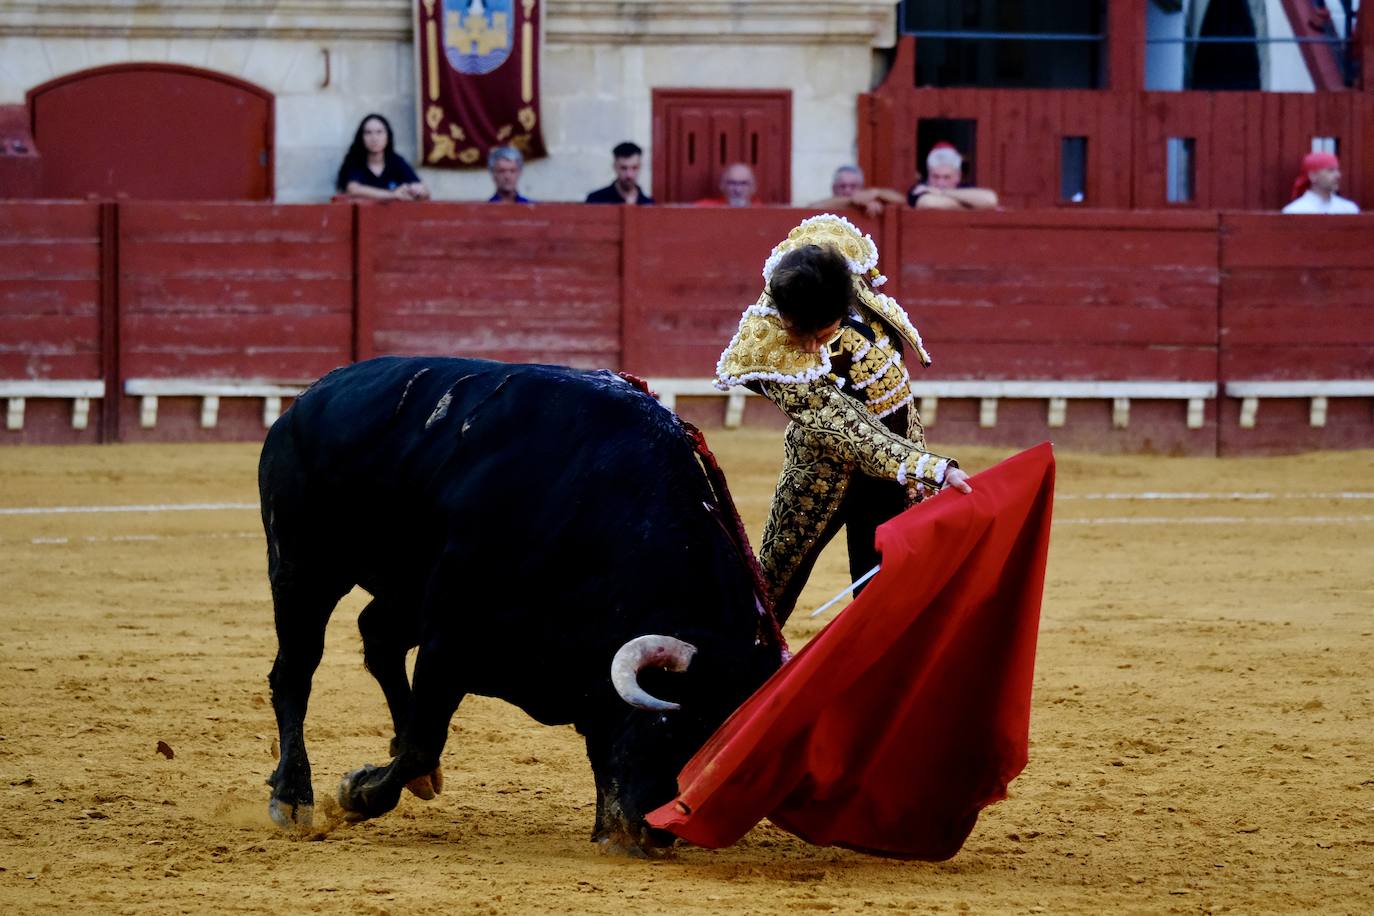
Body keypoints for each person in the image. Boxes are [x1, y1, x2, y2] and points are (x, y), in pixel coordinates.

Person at [714, 214, 972, 624]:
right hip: (823, 468)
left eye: (819, 333)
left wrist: (918, 463)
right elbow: (846, 430)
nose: (809, 343)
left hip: (893, 464)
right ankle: (734, 678)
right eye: (801, 332)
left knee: (885, 595)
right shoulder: (770, 349)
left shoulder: (835, 265)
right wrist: (930, 468)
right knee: (771, 591)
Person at [336, 114, 430, 201]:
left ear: (388, 136)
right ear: (361, 137)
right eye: (368, 133)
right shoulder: (355, 160)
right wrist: (392, 195)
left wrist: (417, 190)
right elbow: (353, 189)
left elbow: (424, 190)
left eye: (379, 132)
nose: (374, 138)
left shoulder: (396, 161)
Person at [908, 143, 998, 211]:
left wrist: (942, 192)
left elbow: (990, 200)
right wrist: (972, 205)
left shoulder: (964, 188)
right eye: (935, 177)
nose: (940, 183)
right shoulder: (919, 189)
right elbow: (928, 202)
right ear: (928, 174)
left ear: (958, 176)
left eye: (946, 177)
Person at [808, 164, 905, 218]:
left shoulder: (871, 201)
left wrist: (877, 193)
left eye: (853, 186)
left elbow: (903, 201)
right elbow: (812, 209)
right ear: (834, 188)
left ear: (861, 188)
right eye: (842, 186)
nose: (847, 190)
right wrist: (852, 201)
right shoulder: (827, 204)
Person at [1281, 151, 1359, 214]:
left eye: (1337, 170)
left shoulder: (1349, 209)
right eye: (1330, 170)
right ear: (1313, 176)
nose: (1338, 175)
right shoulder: (1295, 211)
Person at [585, 141, 655, 205]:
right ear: (615, 167)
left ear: (640, 167)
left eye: (634, 168)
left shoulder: (648, 204)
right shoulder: (597, 200)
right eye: (624, 168)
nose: (629, 175)